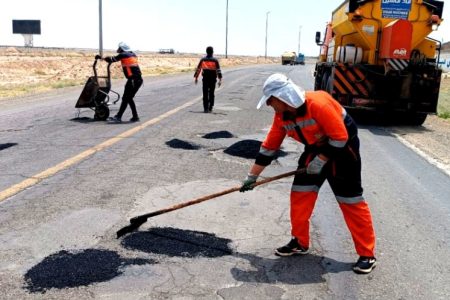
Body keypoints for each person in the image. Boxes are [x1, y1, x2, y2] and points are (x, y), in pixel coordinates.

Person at [240, 73, 377, 274]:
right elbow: (269, 147)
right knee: (300, 193)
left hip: (344, 150)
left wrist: (321, 160)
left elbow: (339, 137)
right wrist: (252, 177)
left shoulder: (318, 104)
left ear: (282, 97)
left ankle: (367, 254)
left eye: (270, 101)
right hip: (314, 148)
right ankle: (299, 242)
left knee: (351, 200)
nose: (269, 105)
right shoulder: (281, 116)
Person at [103, 42, 143, 123]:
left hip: (133, 80)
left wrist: (101, 57)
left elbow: (110, 60)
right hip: (137, 80)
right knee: (128, 98)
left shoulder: (123, 54)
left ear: (121, 48)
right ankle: (135, 117)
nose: (117, 49)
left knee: (126, 98)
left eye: (119, 48)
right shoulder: (132, 54)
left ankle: (118, 116)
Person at [194, 46, 222, 113]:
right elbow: (218, 71)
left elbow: (198, 69)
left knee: (205, 93)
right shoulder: (215, 60)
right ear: (212, 52)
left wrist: (196, 78)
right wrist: (220, 80)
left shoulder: (203, 60)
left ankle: (205, 108)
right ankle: (210, 107)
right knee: (212, 93)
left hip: (205, 79)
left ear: (206, 52)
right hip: (212, 80)